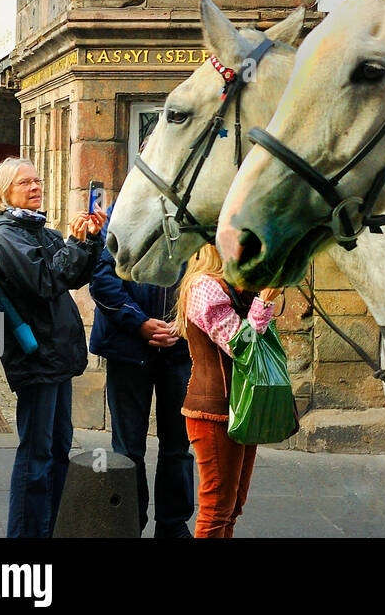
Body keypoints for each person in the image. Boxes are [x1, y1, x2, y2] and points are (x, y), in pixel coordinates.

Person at [0, 157, 103, 538]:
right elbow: (48, 281)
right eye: (25, 183)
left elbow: (77, 275)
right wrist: (74, 242)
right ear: (4, 192)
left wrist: (90, 240)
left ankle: (51, 528)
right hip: (35, 358)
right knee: (36, 455)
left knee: (58, 448)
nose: (36, 187)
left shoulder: (40, 230)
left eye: (38, 180)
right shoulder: (6, 234)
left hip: (56, 357)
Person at [89, 214, 193, 538]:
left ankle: (173, 525)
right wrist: (139, 322)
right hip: (128, 348)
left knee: (177, 444)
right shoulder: (124, 211)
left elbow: (208, 272)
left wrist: (184, 320)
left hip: (180, 348)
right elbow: (102, 278)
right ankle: (127, 523)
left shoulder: (194, 214)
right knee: (128, 447)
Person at [174, 243, 280, 539]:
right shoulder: (204, 286)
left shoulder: (234, 285)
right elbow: (241, 345)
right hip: (214, 412)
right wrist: (265, 302)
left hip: (242, 406)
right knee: (216, 509)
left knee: (232, 507)